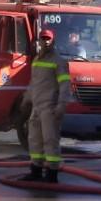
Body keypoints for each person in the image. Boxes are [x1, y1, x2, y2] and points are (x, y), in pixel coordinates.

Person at [19, 28, 70, 183]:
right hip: (36, 107)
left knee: (50, 140)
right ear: (39, 41)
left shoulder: (58, 61)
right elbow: (33, 83)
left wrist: (61, 105)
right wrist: (26, 100)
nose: (46, 41)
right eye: (43, 38)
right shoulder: (36, 60)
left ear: (53, 41)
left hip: (50, 107)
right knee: (34, 140)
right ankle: (36, 170)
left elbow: (65, 86)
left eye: (48, 39)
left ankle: (52, 173)